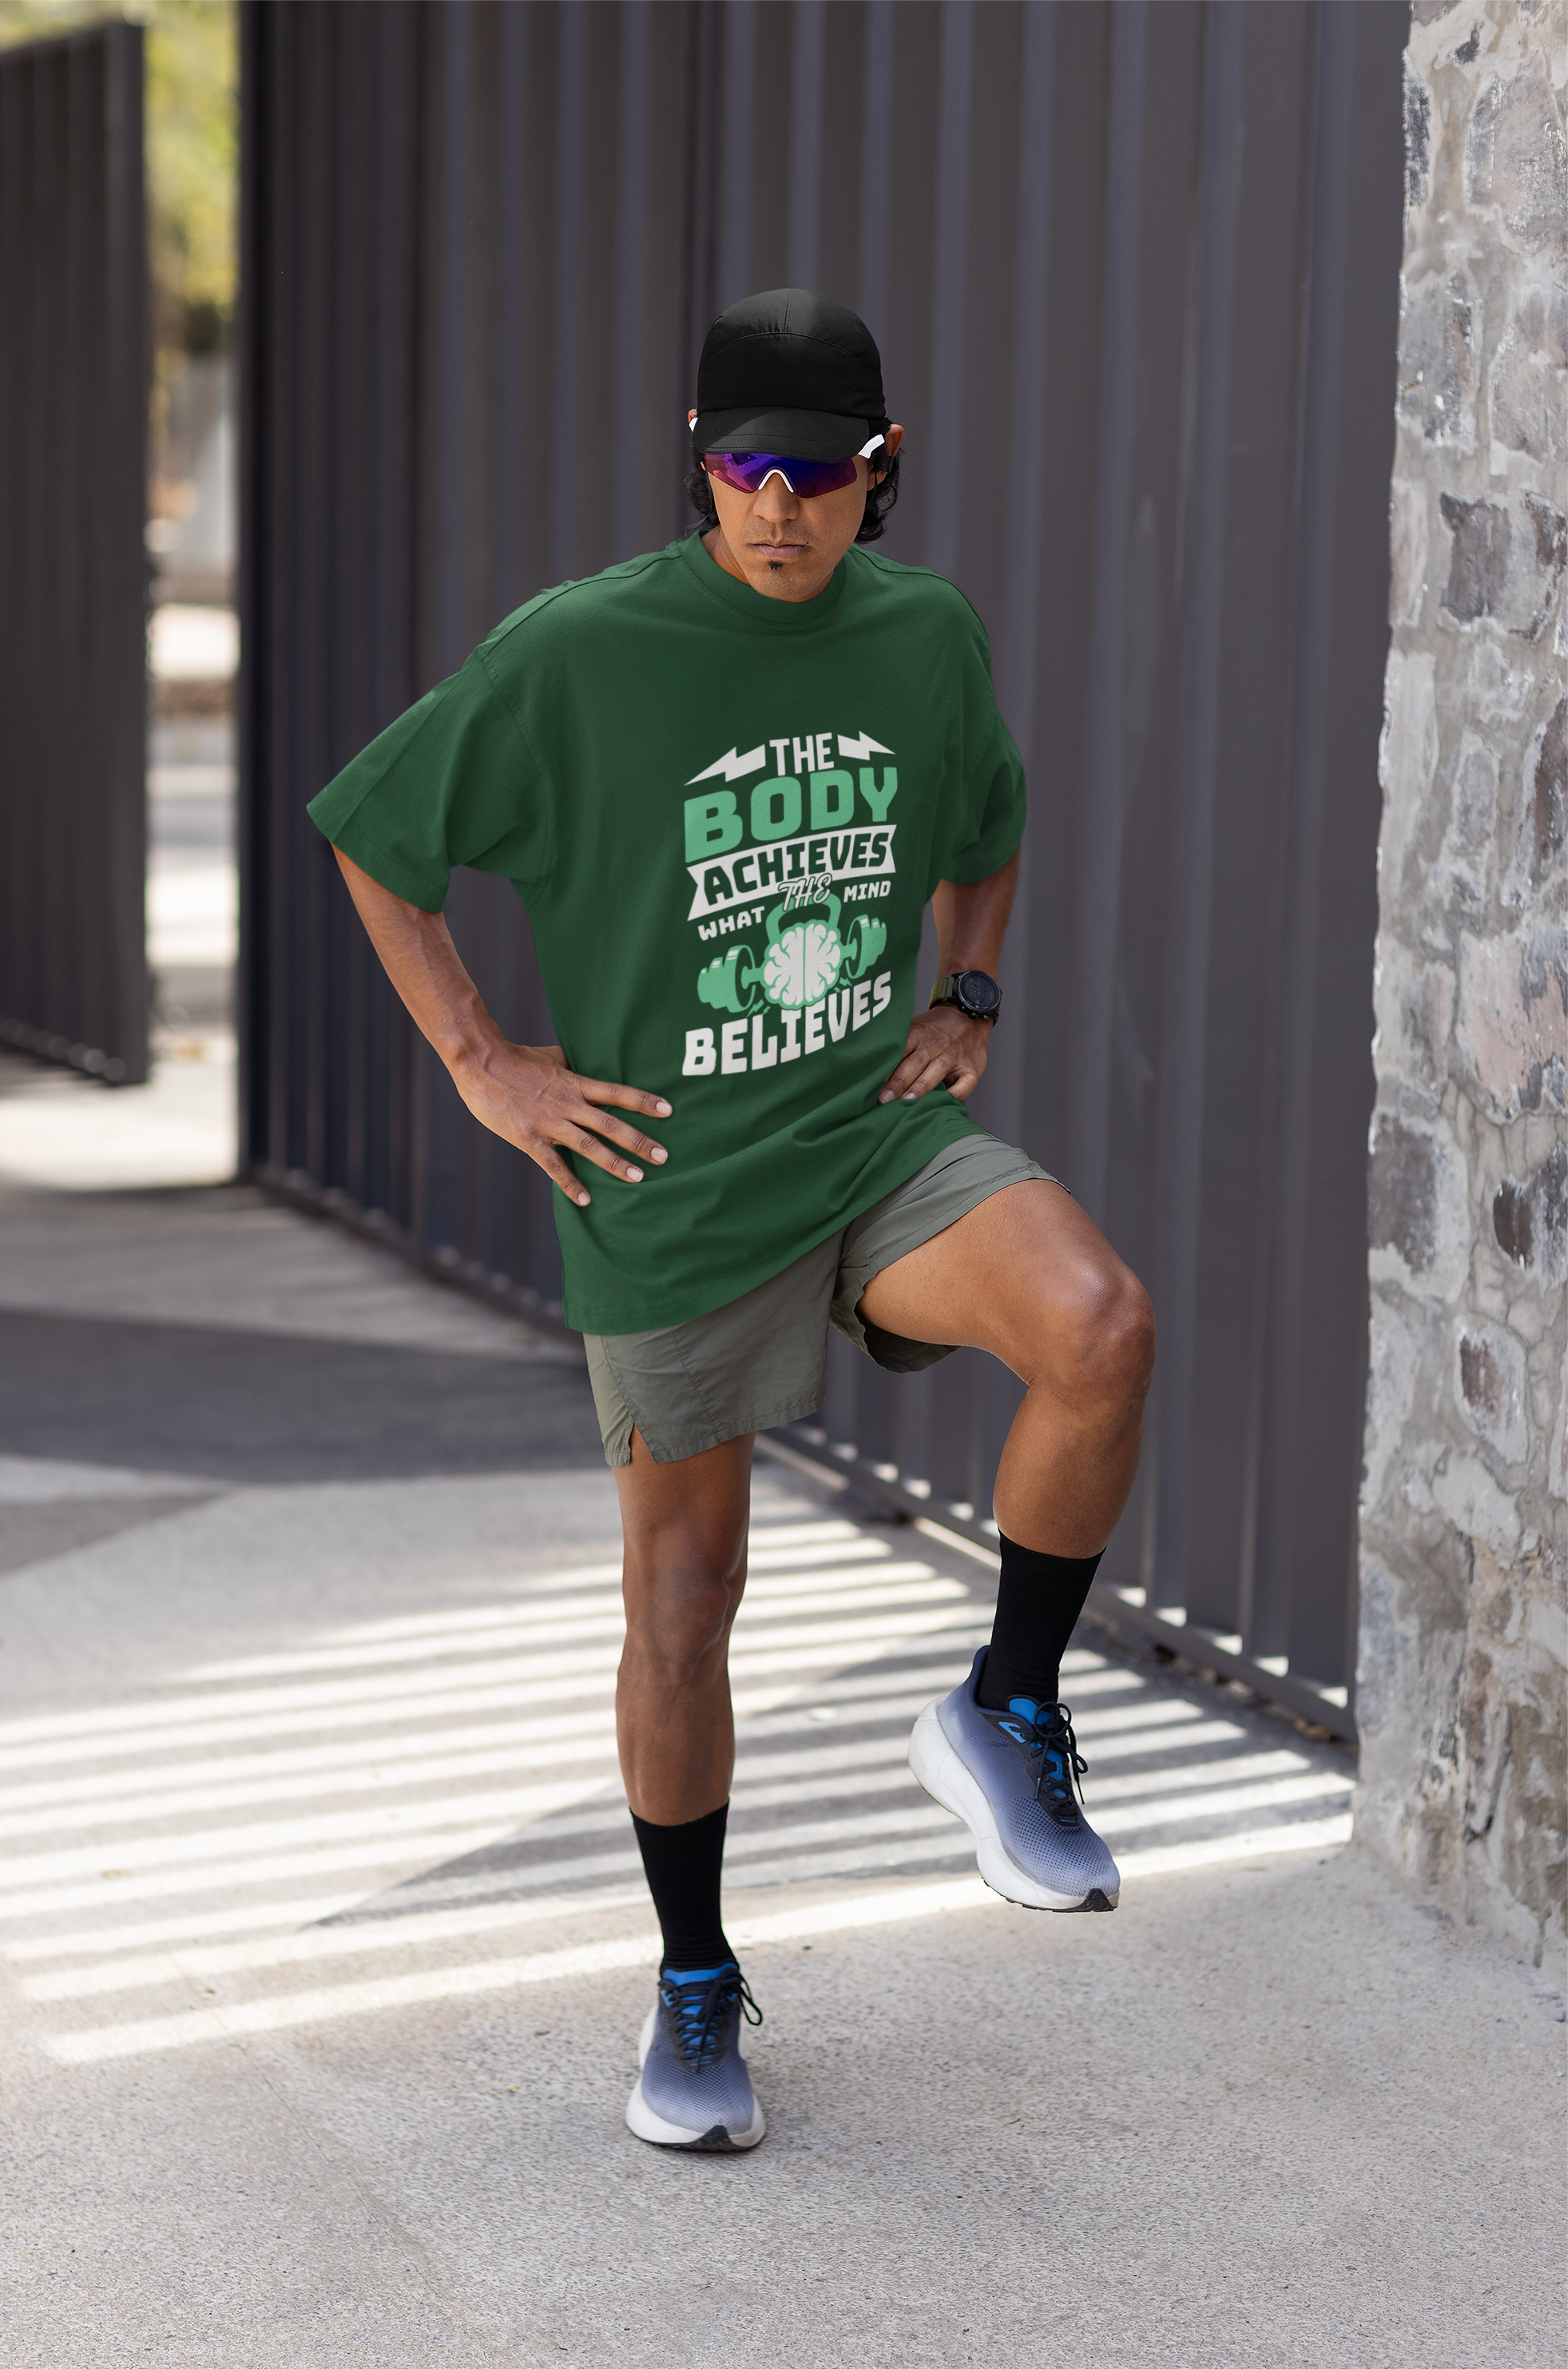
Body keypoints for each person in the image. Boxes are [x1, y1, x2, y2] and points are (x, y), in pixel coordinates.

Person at [308, 288, 1156, 2155]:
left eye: (816, 475)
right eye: (739, 470)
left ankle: (1004, 1707)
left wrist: (970, 995)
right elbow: (380, 835)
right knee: (684, 1605)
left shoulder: (925, 635)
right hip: (667, 1191)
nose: (775, 509)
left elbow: (985, 823)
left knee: (1097, 1326)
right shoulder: (582, 652)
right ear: (700, 466)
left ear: (884, 475)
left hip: (866, 1142)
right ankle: (694, 1979)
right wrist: (481, 1061)